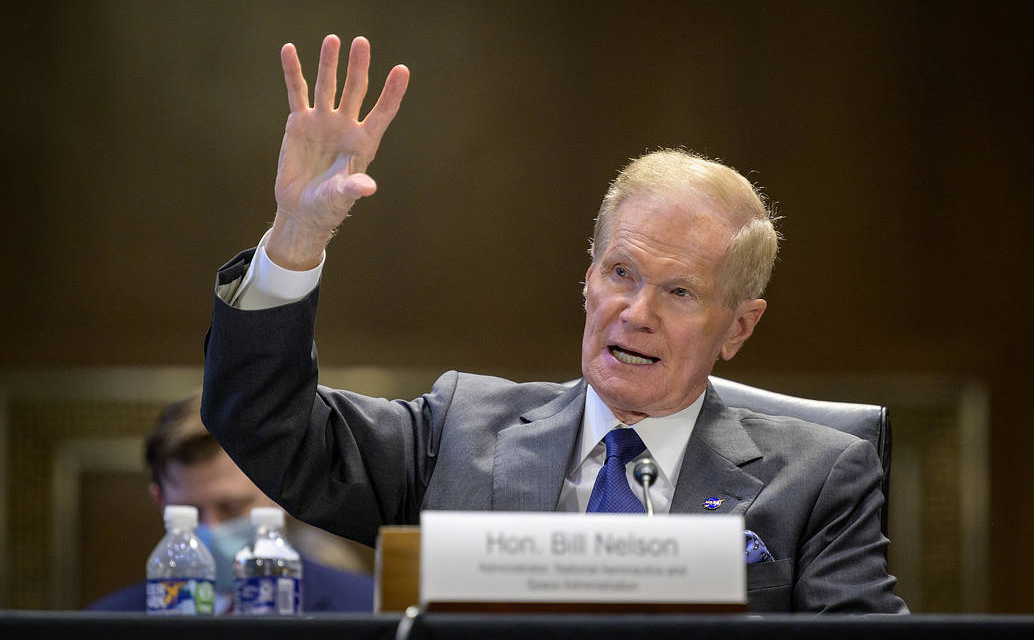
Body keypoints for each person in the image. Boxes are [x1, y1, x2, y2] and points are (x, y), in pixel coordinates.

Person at [201, 34, 907, 613]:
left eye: (681, 292)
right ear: (588, 278)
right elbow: (266, 423)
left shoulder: (817, 479)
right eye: (620, 274)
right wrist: (295, 236)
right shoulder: (462, 433)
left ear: (737, 329)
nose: (636, 312)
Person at [87, 393, 374, 612]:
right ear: (160, 502)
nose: (210, 529)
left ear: (283, 492)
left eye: (232, 508)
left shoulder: (365, 609)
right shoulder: (106, 624)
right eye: (188, 513)